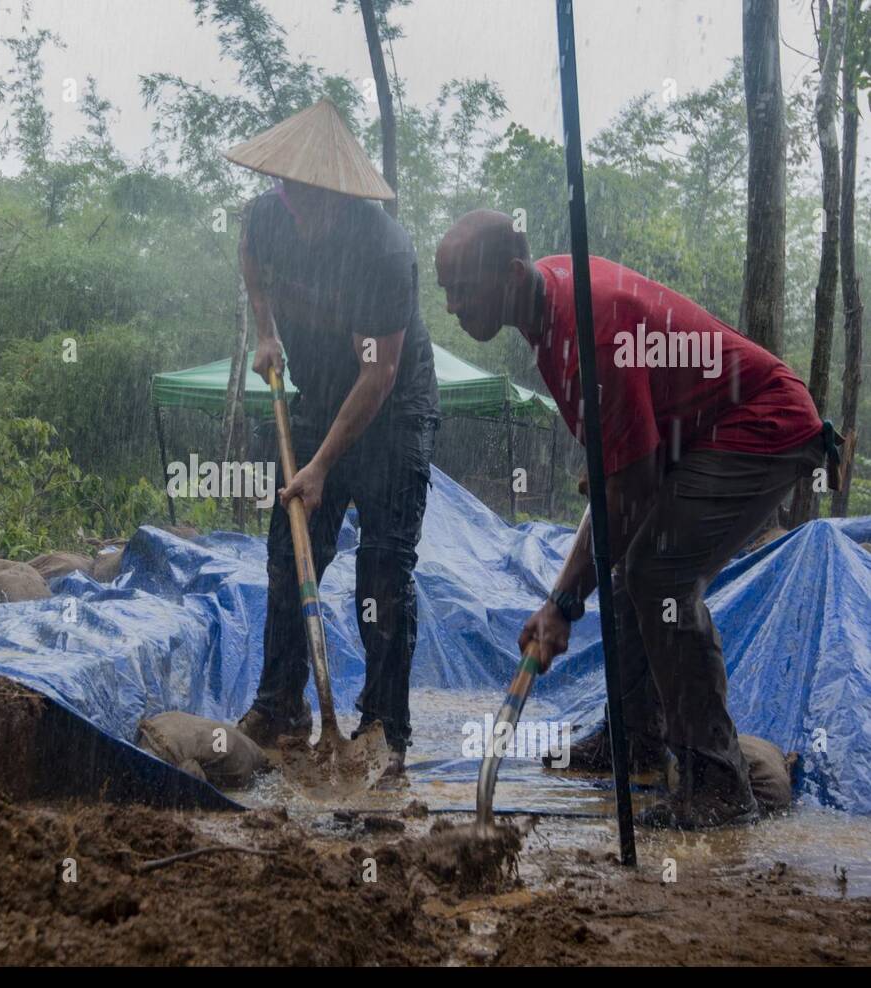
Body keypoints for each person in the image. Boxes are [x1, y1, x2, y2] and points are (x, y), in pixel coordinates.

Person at [435, 210, 830, 828]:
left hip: (764, 424)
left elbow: (631, 494)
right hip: (697, 431)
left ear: (511, 274)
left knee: (657, 576)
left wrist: (562, 606)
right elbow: (618, 483)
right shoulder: (546, 312)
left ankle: (718, 782)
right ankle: (637, 738)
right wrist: (565, 593)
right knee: (627, 570)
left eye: (463, 287)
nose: (454, 305)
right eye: (446, 292)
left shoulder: (589, 328)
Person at [224, 99, 440, 774]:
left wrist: (320, 465)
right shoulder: (266, 217)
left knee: (382, 568)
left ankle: (383, 728)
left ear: (345, 196)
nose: (309, 212)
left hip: (393, 410)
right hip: (318, 397)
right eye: (299, 197)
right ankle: (281, 702)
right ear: (285, 189)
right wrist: (265, 331)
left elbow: (377, 374)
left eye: (323, 200)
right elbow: (250, 262)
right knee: (291, 550)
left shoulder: (383, 250)